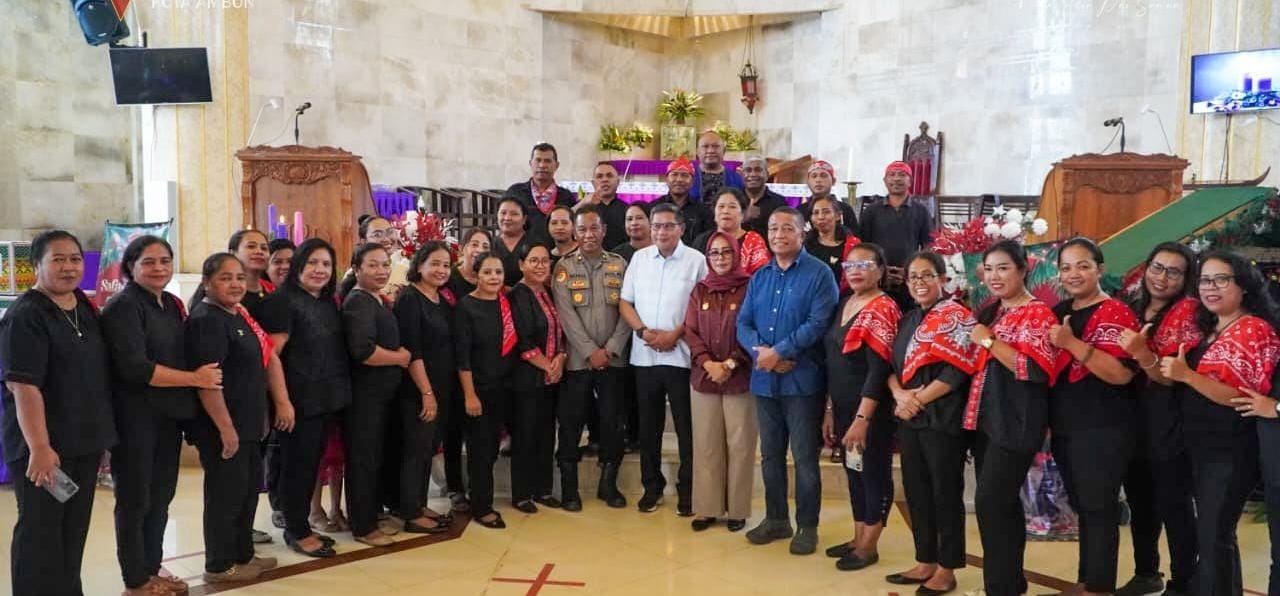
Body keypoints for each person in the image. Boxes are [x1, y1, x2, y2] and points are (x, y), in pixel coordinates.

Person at [101, 236, 221, 595]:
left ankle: (151, 568)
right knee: (135, 499)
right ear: (131, 267)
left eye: (165, 261)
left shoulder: (169, 303)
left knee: (160, 496)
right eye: (149, 262)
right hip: (134, 418)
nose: (158, 268)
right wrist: (194, 379)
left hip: (168, 416)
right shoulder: (123, 306)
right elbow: (136, 368)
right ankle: (135, 580)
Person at [0, 230, 117, 595]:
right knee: (41, 532)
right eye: (58, 259)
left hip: (82, 443)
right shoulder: (26, 316)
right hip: (43, 449)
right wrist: (40, 448)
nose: (69, 267)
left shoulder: (82, 305)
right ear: (36, 265)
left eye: (75, 259)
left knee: (72, 529)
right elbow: (23, 386)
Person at [1160, 250, 1280, 595]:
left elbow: (1240, 396)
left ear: (1244, 286)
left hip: (1230, 449)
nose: (1210, 287)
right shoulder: (1210, 327)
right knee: (1214, 535)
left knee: (1214, 534)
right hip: (1201, 445)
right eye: (1204, 280)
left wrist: (1187, 376)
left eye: (1221, 279)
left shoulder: (1254, 329)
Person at [185, 253, 295, 584]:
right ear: (207, 282)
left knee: (246, 493)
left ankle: (242, 554)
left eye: (239, 278)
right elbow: (208, 382)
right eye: (225, 278)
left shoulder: (237, 313)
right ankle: (219, 566)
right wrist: (226, 428)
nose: (235, 284)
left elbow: (263, 361)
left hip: (247, 424)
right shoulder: (207, 319)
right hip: (224, 426)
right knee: (225, 497)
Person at [737, 207, 839, 555]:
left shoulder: (819, 274)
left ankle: (807, 525)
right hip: (765, 380)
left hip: (803, 381)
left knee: (805, 459)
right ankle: (776, 519)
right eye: (772, 228)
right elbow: (743, 323)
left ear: (801, 233)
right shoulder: (760, 276)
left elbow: (818, 323)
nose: (778, 235)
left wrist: (779, 351)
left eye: (786, 228)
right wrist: (762, 354)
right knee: (770, 456)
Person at [964, 240, 1059, 596]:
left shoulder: (1038, 314)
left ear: (1023, 270)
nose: (995, 276)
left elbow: (1034, 370)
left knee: (990, 502)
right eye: (989, 269)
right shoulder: (993, 311)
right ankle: (1009, 583)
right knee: (1001, 504)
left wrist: (989, 342)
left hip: (1017, 422)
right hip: (988, 421)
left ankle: (1000, 587)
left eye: (1003, 268)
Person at [1047, 237, 1141, 596]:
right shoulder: (1059, 311)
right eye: (1066, 267)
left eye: (1083, 266)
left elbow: (1122, 374)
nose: (1074, 274)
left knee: (1099, 508)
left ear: (1099, 269)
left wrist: (1071, 343)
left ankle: (1100, 588)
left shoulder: (1116, 312)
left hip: (1104, 427)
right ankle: (1088, 581)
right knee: (1084, 506)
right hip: (1067, 425)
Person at [883, 251, 976, 595]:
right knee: (917, 491)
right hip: (909, 419)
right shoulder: (908, 319)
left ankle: (947, 568)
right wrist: (899, 395)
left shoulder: (958, 316)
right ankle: (925, 560)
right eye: (913, 277)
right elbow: (891, 367)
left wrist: (917, 400)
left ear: (943, 279)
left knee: (944, 493)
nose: (919, 282)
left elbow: (957, 371)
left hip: (942, 419)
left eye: (927, 275)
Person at [258, 238, 353, 558]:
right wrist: (282, 402)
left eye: (326, 264)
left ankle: (302, 525)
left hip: (325, 399)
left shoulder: (325, 302)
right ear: (298, 264)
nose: (319, 270)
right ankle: (296, 531)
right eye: (312, 262)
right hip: (297, 401)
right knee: (297, 467)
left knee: (311, 465)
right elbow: (271, 357)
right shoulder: (282, 302)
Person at [1116, 242, 1201, 596]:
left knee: (1174, 505)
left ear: (1187, 278)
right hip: (1132, 420)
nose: (1162, 278)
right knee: (1141, 503)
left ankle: (1183, 583)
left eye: (1174, 272)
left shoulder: (1189, 311)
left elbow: (1169, 376)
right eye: (1157, 267)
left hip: (1170, 422)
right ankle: (1147, 573)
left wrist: (1141, 353)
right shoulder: (1131, 304)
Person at [619, 203, 708, 515]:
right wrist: (643, 332)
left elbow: (702, 307)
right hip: (645, 357)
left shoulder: (696, 261)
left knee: (686, 428)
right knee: (648, 428)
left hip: (681, 357)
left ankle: (688, 490)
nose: (661, 231)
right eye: (656, 226)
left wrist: (674, 335)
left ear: (681, 228)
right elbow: (625, 302)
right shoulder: (640, 259)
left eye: (668, 225)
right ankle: (651, 487)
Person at [823, 243, 901, 572]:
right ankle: (857, 537)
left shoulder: (883, 308)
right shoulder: (846, 302)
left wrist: (862, 418)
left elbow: (879, 370)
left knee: (873, 473)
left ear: (880, 270)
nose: (855, 271)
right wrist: (830, 409)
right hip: (842, 405)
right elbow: (834, 360)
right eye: (849, 266)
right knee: (853, 471)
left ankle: (870, 544)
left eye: (864, 265)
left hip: (870, 411)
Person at [552, 205, 633, 510]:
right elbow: (566, 316)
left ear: (604, 230)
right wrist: (590, 352)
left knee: (613, 422)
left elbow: (628, 309)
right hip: (577, 362)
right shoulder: (563, 268)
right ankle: (569, 488)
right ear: (575, 232)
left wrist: (610, 349)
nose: (589, 235)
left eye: (594, 228)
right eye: (582, 229)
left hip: (614, 360)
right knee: (571, 423)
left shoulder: (620, 265)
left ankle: (608, 485)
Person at [684, 231, 756, 533]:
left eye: (726, 252)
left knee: (740, 446)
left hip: (740, 378)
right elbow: (690, 331)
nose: (720, 258)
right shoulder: (700, 289)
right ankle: (708, 508)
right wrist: (708, 363)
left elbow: (753, 328)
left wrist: (730, 363)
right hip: (705, 378)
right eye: (714, 253)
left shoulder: (750, 286)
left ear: (736, 254)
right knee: (706, 445)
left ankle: (737, 510)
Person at [341, 243, 412, 548]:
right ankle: (363, 525)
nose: (381, 271)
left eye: (385, 264)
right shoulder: (358, 302)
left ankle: (372, 514)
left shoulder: (376, 299)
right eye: (372, 265)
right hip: (365, 397)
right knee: (363, 460)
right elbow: (364, 351)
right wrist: (399, 358)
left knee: (375, 458)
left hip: (382, 395)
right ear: (356, 269)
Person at [392, 241, 456, 534]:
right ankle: (410, 511)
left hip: (441, 386)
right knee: (415, 451)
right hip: (417, 389)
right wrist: (427, 393)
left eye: (446, 265)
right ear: (419, 265)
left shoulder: (441, 298)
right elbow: (412, 350)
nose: (441, 270)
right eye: (435, 264)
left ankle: (419, 503)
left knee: (428, 448)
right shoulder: (410, 298)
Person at [455, 252, 517, 529]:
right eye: (487, 272)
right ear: (476, 275)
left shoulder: (505, 303)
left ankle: (482, 498)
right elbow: (462, 357)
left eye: (498, 272)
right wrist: (469, 395)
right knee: (480, 451)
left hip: (504, 388)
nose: (494, 277)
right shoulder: (466, 307)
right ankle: (481, 507)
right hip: (478, 389)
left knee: (491, 449)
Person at [508, 243, 566, 513]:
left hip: (551, 377)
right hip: (526, 377)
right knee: (525, 435)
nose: (541, 265)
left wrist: (560, 359)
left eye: (545, 260)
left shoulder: (549, 291)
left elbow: (561, 330)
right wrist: (547, 366)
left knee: (546, 434)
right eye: (534, 260)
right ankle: (522, 493)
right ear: (521, 265)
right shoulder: (518, 294)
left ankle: (543, 489)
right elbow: (523, 339)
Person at [443, 228, 492, 512]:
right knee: (453, 430)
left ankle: (477, 486)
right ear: (462, 248)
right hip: (452, 365)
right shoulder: (449, 280)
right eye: (474, 244)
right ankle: (454, 487)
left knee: (479, 432)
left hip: (482, 369)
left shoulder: (489, 280)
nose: (479, 250)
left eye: (485, 245)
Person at [858, 162, 935, 310]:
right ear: (885, 180)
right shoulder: (871, 211)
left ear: (910, 181)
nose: (896, 179)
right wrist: (879, 270)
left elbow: (929, 246)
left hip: (910, 279)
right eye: (892, 175)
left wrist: (911, 271)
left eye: (902, 175)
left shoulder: (921, 211)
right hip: (877, 278)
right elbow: (863, 247)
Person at [191, 229, 276, 318]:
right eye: (251, 246)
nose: (259, 251)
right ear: (232, 253)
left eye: (264, 248)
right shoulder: (224, 293)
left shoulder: (272, 289)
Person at [503, 142, 575, 241]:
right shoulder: (515, 192)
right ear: (530, 163)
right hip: (522, 249)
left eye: (547, 161)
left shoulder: (566, 196)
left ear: (556, 165)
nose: (542, 165)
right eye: (538, 160)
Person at [691, 188, 770, 274]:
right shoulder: (702, 241)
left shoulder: (754, 242)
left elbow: (762, 276)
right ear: (714, 213)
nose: (725, 211)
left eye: (732, 207)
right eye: (721, 206)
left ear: (743, 214)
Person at [340, 215, 407, 302]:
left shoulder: (405, 264)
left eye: (390, 232)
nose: (386, 239)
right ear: (363, 241)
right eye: (377, 235)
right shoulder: (358, 273)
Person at [805, 195, 862, 290]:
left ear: (838, 216)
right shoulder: (804, 244)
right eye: (816, 213)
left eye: (826, 212)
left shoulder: (852, 245)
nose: (820, 217)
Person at [654, 156, 712, 247]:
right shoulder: (654, 207)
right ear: (666, 180)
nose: (679, 179)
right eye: (674, 175)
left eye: (684, 175)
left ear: (692, 182)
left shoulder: (703, 211)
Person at [579, 161, 629, 250]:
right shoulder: (584, 209)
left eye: (609, 176)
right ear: (593, 183)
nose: (604, 180)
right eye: (599, 176)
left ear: (618, 182)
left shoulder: (627, 210)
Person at [797, 160, 858, 234]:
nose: (818, 180)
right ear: (808, 182)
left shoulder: (845, 209)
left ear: (833, 181)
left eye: (823, 176)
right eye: (814, 176)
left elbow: (854, 236)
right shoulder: (800, 211)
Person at [492, 197, 538, 287]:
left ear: (524, 219)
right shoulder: (490, 244)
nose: (507, 218)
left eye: (514, 214)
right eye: (503, 213)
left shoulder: (535, 245)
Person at [690, 131, 744, 203]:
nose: (711, 151)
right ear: (697, 151)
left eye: (716, 146)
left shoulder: (736, 178)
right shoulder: (688, 177)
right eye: (705, 146)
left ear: (724, 151)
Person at [740, 155, 788, 234]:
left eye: (758, 170)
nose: (753, 174)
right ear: (742, 175)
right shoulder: (733, 199)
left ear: (767, 175)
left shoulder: (779, 202)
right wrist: (744, 217)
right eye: (748, 170)